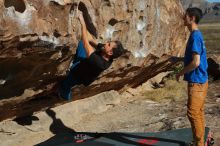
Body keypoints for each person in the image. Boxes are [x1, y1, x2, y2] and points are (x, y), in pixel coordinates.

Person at [59, 11, 126, 100]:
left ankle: (65, 95)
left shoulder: (100, 63)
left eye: (109, 44)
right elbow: (92, 41)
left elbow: (86, 42)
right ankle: (74, 66)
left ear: (110, 53)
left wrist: (82, 23)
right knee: (82, 44)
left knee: (66, 84)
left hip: (78, 75)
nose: (106, 43)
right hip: (84, 64)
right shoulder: (107, 53)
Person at [176, 8, 208, 146]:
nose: (183, 18)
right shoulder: (197, 34)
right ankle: (200, 141)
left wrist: (180, 72)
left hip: (196, 81)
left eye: (185, 16)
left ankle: (199, 143)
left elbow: (196, 62)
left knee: (193, 113)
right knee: (198, 112)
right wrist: (174, 59)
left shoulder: (195, 36)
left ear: (192, 18)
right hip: (201, 80)